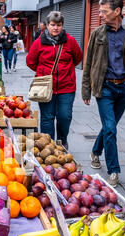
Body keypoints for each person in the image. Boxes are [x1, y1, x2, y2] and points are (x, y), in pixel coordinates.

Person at [81, 0, 125, 187]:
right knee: (110, 128)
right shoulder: (97, 34)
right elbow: (89, 63)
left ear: (117, 11)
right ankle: (114, 170)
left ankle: (95, 151)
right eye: (99, 11)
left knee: (110, 126)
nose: (100, 15)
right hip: (105, 87)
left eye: (104, 11)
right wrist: (86, 89)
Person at [26, 11, 83, 149]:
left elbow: (78, 58)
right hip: (45, 87)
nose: (55, 28)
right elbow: (30, 61)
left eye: (58, 25)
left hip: (66, 87)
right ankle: (48, 145)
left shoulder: (70, 41)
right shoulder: (39, 42)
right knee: (47, 118)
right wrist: (43, 72)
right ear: (47, 25)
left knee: (65, 117)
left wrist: (66, 70)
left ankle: (62, 141)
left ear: (62, 25)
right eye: (52, 25)